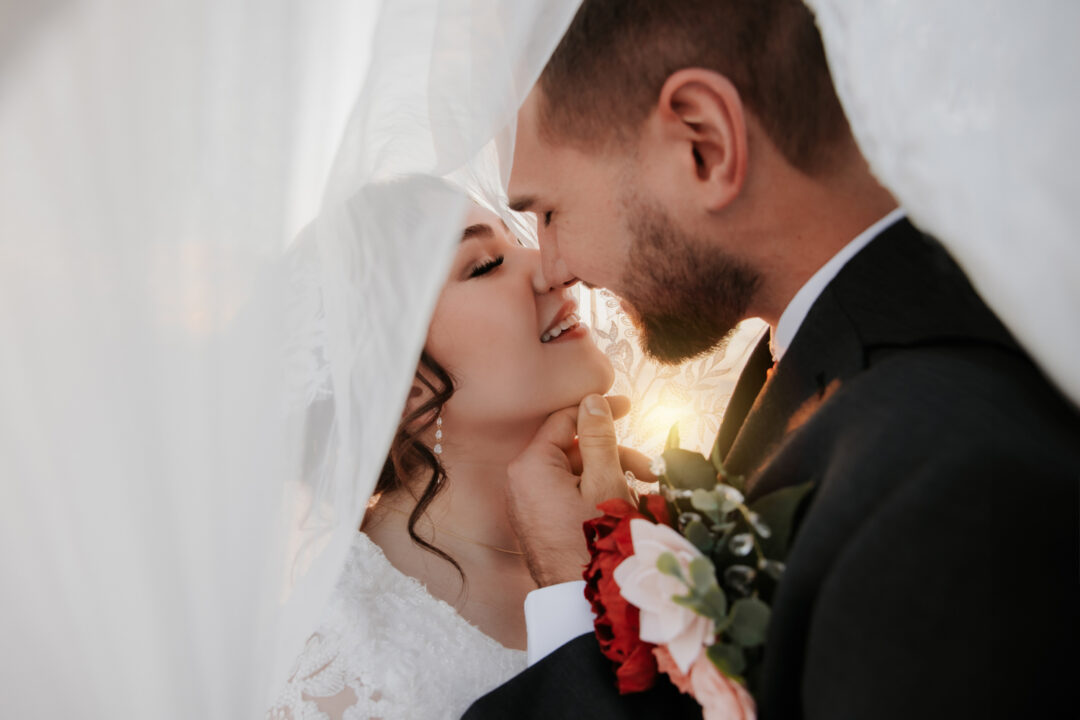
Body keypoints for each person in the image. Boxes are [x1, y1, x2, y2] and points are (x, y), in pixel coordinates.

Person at [465, 0, 1080, 718]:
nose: (555, 264)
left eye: (548, 212)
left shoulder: (942, 480)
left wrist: (584, 597)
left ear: (705, 142)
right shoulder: (813, 363)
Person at [269, 200, 628, 719]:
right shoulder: (337, 665)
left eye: (516, 239)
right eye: (485, 265)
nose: (553, 268)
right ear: (408, 390)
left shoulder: (636, 523)